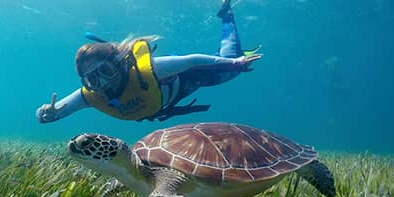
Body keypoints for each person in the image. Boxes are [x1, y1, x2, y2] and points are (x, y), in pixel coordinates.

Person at [36, 0, 262, 123]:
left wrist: (233, 63)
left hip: (182, 79)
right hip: (161, 102)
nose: (102, 83)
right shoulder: (90, 96)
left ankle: (227, 15)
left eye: (104, 70)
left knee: (230, 70)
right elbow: (55, 113)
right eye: (92, 78)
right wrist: (44, 113)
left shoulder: (147, 70)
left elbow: (191, 60)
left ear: (118, 64)